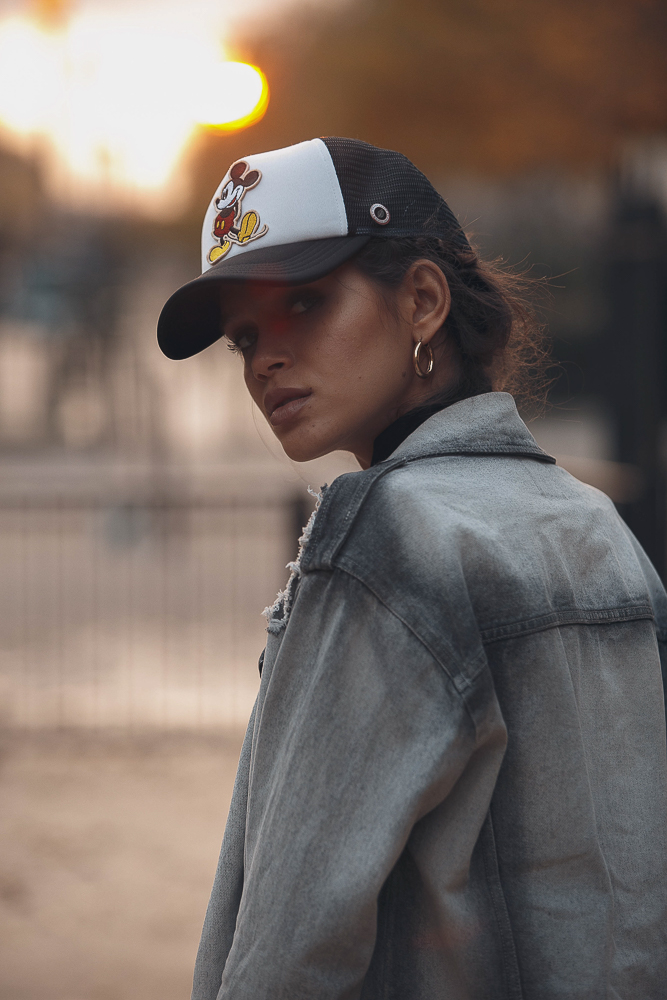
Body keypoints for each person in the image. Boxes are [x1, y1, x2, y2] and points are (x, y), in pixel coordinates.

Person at [157, 138, 667, 999]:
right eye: (243, 339)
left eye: (304, 303)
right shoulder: (595, 525)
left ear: (423, 300)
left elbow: (293, 940)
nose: (264, 360)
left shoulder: (382, 538)